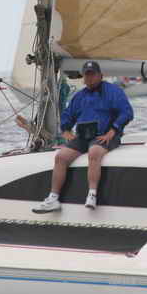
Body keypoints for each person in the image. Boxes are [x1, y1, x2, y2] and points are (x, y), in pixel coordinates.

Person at [32, 61, 133, 213]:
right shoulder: (79, 96)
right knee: (61, 157)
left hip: (106, 135)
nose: (89, 78)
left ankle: (92, 195)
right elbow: (67, 116)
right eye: (87, 75)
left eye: (93, 74)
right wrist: (66, 131)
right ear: (83, 78)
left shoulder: (113, 91)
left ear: (100, 76)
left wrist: (113, 131)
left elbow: (127, 112)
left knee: (94, 152)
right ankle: (53, 198)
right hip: (83, 136)